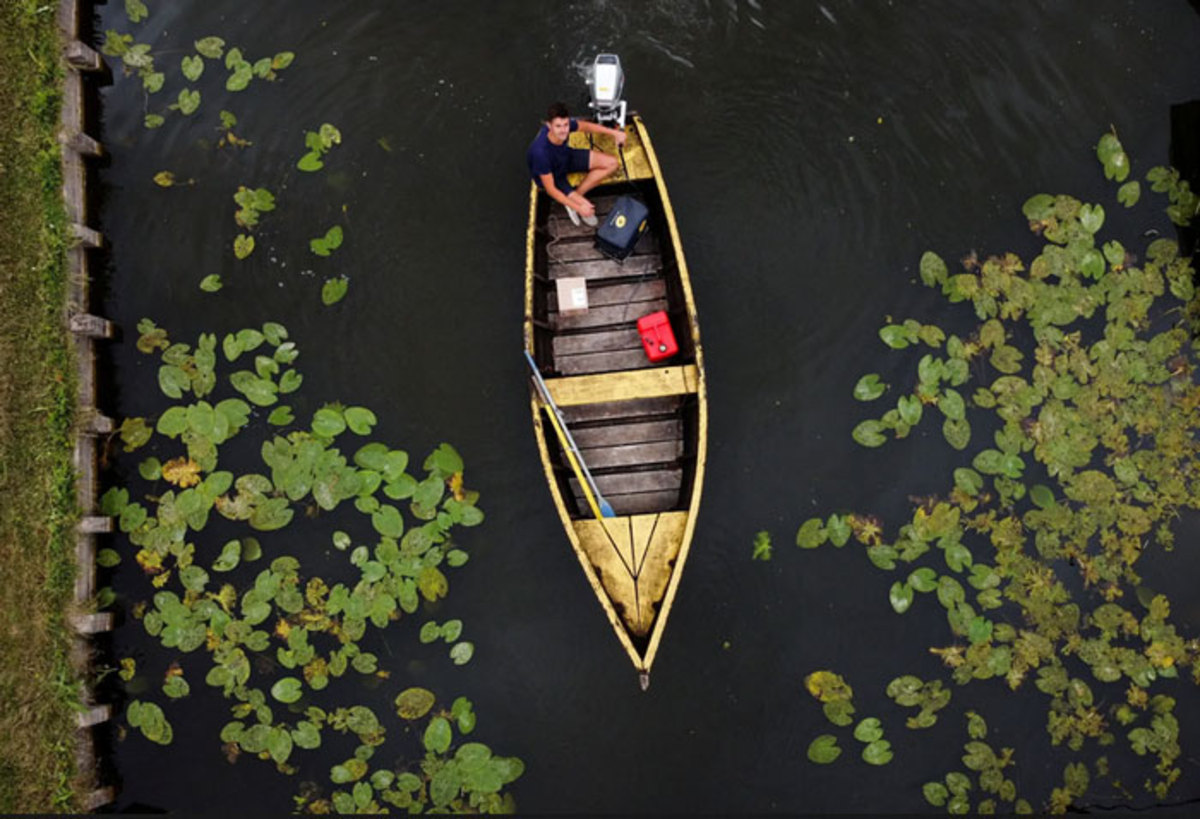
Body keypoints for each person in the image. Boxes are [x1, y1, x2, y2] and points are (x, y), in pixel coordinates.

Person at [527, 101, 627, 227]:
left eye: (566, 125)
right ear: (549, 125)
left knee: (612, 163)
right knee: (588, 208)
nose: (563, 130)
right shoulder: (540, 154)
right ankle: (575, 203)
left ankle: (575, 198)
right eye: (558, 126)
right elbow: (551, 189)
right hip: (556, 176)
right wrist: (579, 207)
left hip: (566, 157)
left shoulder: (566, 127)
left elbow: (585, 126)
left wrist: (614, 133)